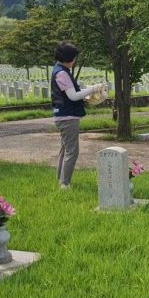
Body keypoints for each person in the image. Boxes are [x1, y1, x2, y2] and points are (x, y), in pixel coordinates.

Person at [51, 42, 105, 189]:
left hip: (63, 116)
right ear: (69, 58)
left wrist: (87, 91)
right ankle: (65, 184)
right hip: (67, 117)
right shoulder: (62, 73)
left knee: (65, 149)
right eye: (74, 58)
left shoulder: (59, 70)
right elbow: (73, 96)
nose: (75, 61)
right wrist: (92, 89)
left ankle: (61, 179)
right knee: (72, 151)